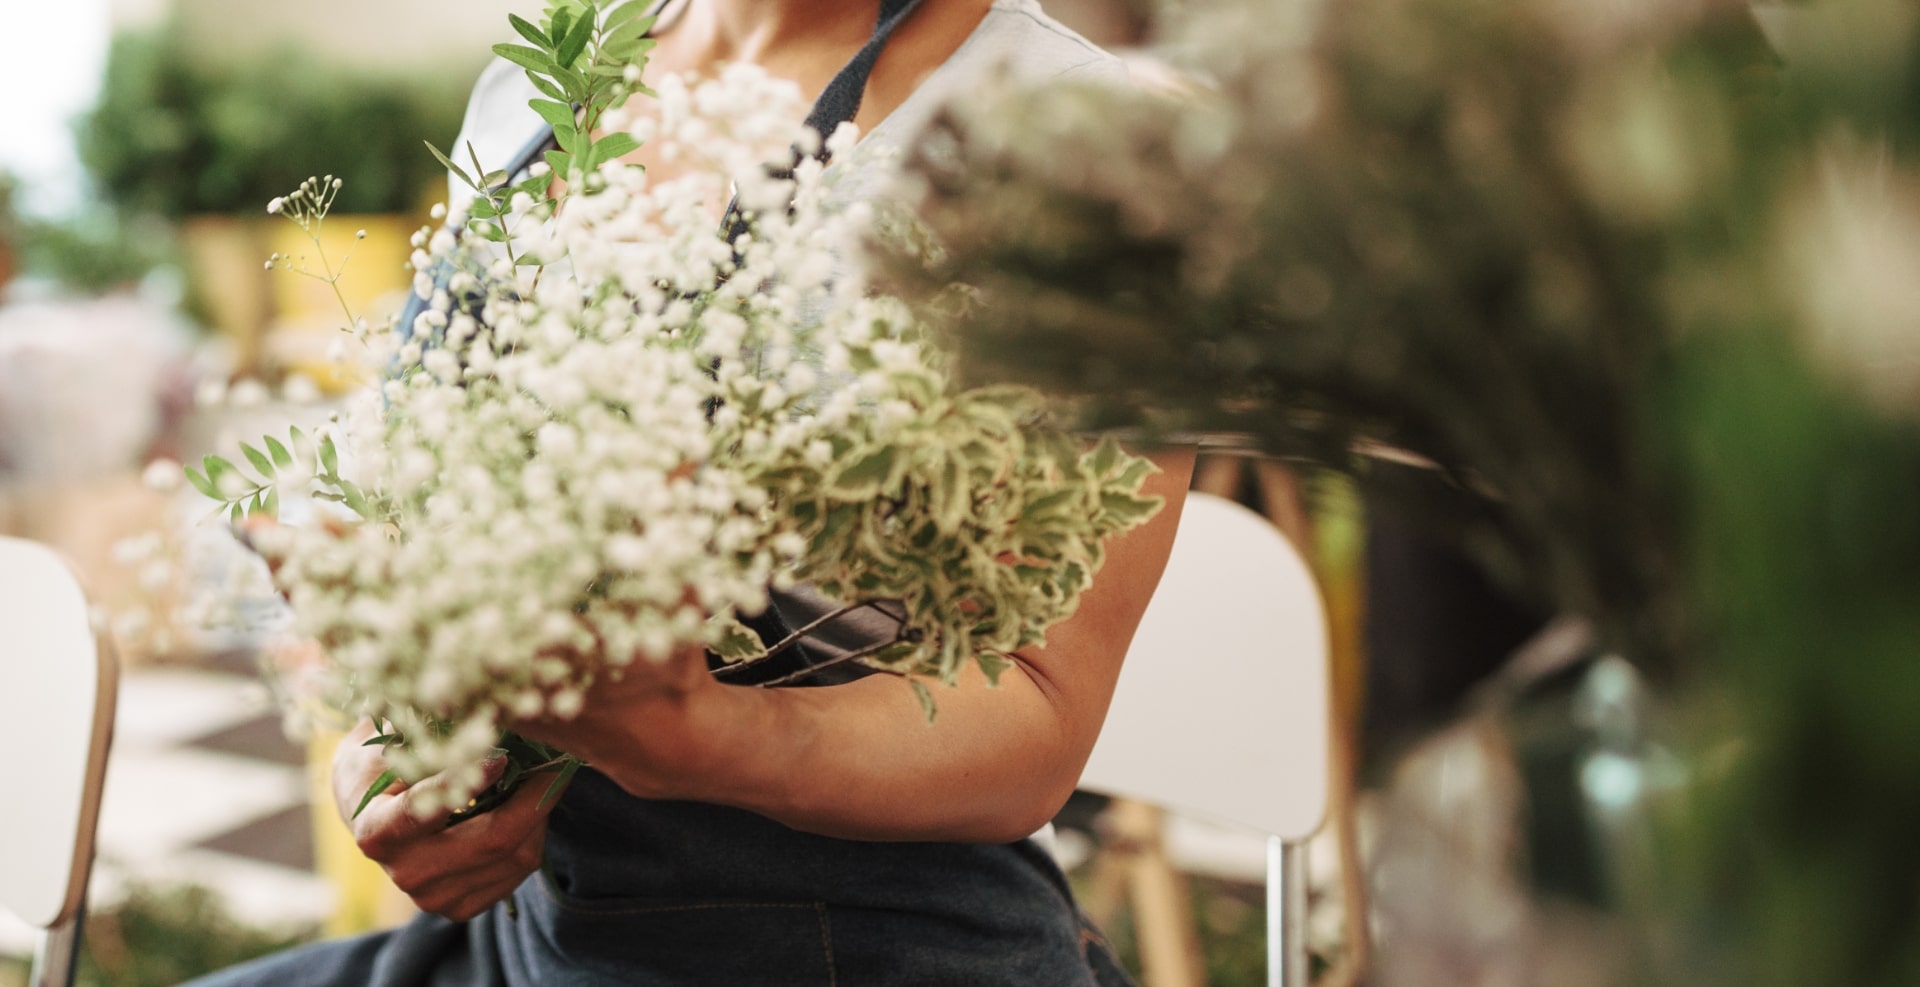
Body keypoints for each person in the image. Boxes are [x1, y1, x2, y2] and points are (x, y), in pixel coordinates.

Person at [187, 1, 1192, 983]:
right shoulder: (537, 83)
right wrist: (399, 746)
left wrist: (720, 739)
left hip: (864, 945)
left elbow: (1037, 714)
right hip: (530, 937)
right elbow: (416, 514)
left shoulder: (1098, 151)